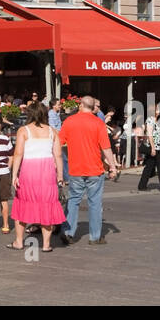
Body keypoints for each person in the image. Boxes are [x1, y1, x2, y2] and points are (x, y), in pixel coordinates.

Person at [58, 95, 119, 244]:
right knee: (95, 203)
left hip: (75, 169)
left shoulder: (69, 121)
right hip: (94, 170)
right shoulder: (98, 123)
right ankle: (95, 237)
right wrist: (112, 167)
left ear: (80, 105)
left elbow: (59, 143)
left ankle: (68, 231)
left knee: (73, 201)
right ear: (93, 108)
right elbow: (106, 148)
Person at [8, 102, 66, 251]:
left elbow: (18, 154)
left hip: (29, 171)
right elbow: (58, 155)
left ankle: (19, 242)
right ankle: (46, 244)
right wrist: (60, 175)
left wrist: (14, 175)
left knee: (22, 204)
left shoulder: (24, 130)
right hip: (47, 172)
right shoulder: (53, 131)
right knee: (47, 204)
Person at [137, 111, 160, 192]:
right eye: (158, 109)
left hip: (158, 147)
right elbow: (149, 134)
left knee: (149, 166)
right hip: (152, 147)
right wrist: (153, 148)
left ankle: (142, 186)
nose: (159, 110)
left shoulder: (159, 121)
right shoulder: (150, 120)